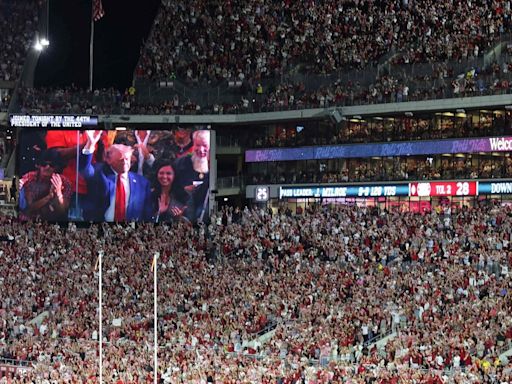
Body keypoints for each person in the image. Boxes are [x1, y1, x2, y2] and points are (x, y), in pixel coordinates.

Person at [79, 131, 152, 222]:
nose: (125, 163)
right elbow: (84, 169)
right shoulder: (99, 173)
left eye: (127, 159)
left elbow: (147, 213)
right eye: (121, 160)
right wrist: (90, 145)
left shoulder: (142, 183)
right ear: (108, 160)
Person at [20, 149, 72, 221]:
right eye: (44, 164)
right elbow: (29, 208)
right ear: (39, 165)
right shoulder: (30, 178)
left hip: (55, 221)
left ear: (56, 167)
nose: (47, 167)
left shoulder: (65, 182)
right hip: (31, 219)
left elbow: (62, 211)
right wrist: (49, 197)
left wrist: (58, 193)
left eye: (51, 165)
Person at [173, 130, 210, 223]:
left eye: (205, 145)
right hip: (182, 213)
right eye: (198, 145)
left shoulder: (214, 164)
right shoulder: (180, 163)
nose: (201, 150)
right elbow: (171, 188)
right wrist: (184, 190)